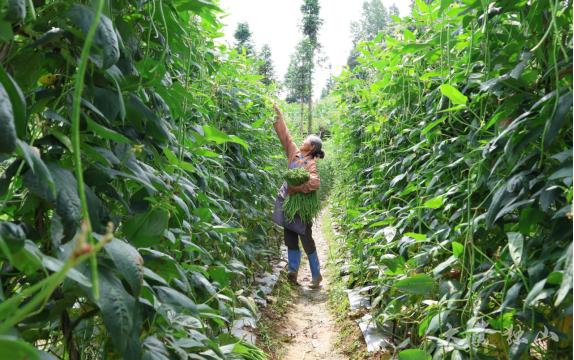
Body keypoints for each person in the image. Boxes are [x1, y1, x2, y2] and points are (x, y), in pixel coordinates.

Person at [272, 104, 325, 288]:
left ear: (311, 147)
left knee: (306, 238)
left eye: (306, 140)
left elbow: (315, 183)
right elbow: (285, 136)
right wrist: (278, 116)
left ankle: (316, 275)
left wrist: (297, 188)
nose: (302, 141)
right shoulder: (294, 154)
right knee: (289, 236)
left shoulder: (310, 164)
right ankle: (293, 272)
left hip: (300, 207)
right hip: (288, 204)